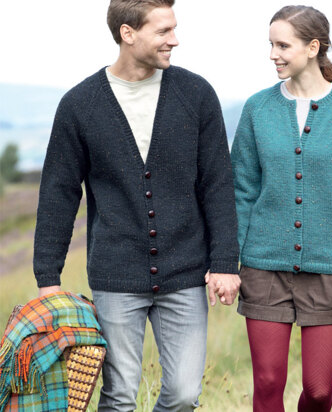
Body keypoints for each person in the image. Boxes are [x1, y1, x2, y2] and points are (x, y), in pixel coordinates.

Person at [33, 0, 240, 410]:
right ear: (128, 33)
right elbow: (58, 193)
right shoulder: (80, 105)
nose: (174, 40)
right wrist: (47, 279)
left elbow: (218, 184)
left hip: (186, 271)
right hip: (115, 275)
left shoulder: (196, 94)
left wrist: (224, 262)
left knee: (183, 395)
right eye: (163, 31)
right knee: (119, 396)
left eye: (174, 29)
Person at [231, 5, 332, 412]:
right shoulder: (257, 108)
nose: (273, 54)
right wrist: (230, 260)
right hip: (263, 266)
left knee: (318, 391)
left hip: (329, 268)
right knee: (267, 382)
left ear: (313, 47)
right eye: (271, 44)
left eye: (283, 45)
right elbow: (241, 190)